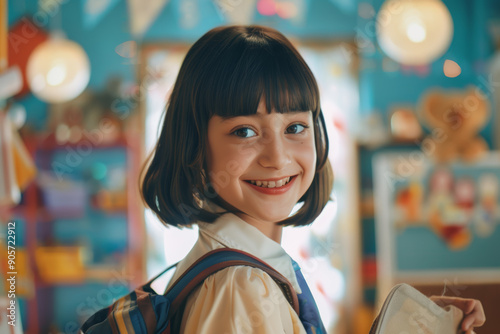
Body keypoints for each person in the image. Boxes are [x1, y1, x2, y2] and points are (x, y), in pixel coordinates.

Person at [141, 25, 485, 334]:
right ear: (195, 145)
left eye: (295, 127)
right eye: (244, 131)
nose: (277, 158)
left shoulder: (237, 267)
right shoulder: (242, 287)